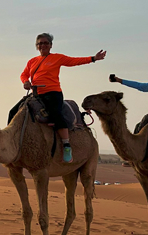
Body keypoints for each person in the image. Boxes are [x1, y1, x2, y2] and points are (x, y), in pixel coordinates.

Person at [16, 33, 106, 163]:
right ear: (37, 46)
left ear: (51, 45)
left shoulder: (57, 58)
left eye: (46, 43)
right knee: (15, 111)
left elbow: (74, 61)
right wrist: (25, 82)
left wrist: (93, 58)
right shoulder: (32, 61)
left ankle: (66, 145)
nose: (43, 45)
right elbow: (23, 74)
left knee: (56, 115)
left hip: (53, 93)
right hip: (36, 93)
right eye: (40, 43)